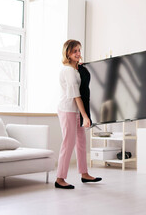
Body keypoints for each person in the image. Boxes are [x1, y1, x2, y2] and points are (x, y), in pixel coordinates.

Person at [55, 39, 102, 189]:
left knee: (81, 142)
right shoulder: (68, 70)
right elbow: (76, 95)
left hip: (76, 110)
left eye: (79, 50)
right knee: (68, 143)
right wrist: (86, 116)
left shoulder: (76, 69)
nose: (78, 53)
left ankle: (84, 174)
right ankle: (60, 178)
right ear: (67, 53)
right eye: (74, 51)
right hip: (68, 109)